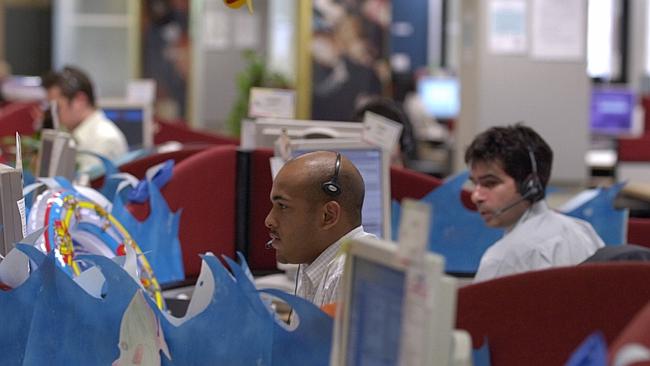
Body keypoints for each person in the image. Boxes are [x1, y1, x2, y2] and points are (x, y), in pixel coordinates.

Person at [465, 124, 604, 282]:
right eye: (474, 184)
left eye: (490, 183)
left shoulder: (502, 258)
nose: (476, 197)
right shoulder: (583, 232)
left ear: (530, 185)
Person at [265, 150, 374, 307]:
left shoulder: (348, 278)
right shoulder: (313, 263)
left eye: (283, 206)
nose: (269, 220)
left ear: (328, 216)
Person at [43, 66, 128, 174]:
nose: (53, 116)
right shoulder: (75, 136)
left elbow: (84, 189)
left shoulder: (103, 140)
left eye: (57, 108)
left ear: (80, 100)